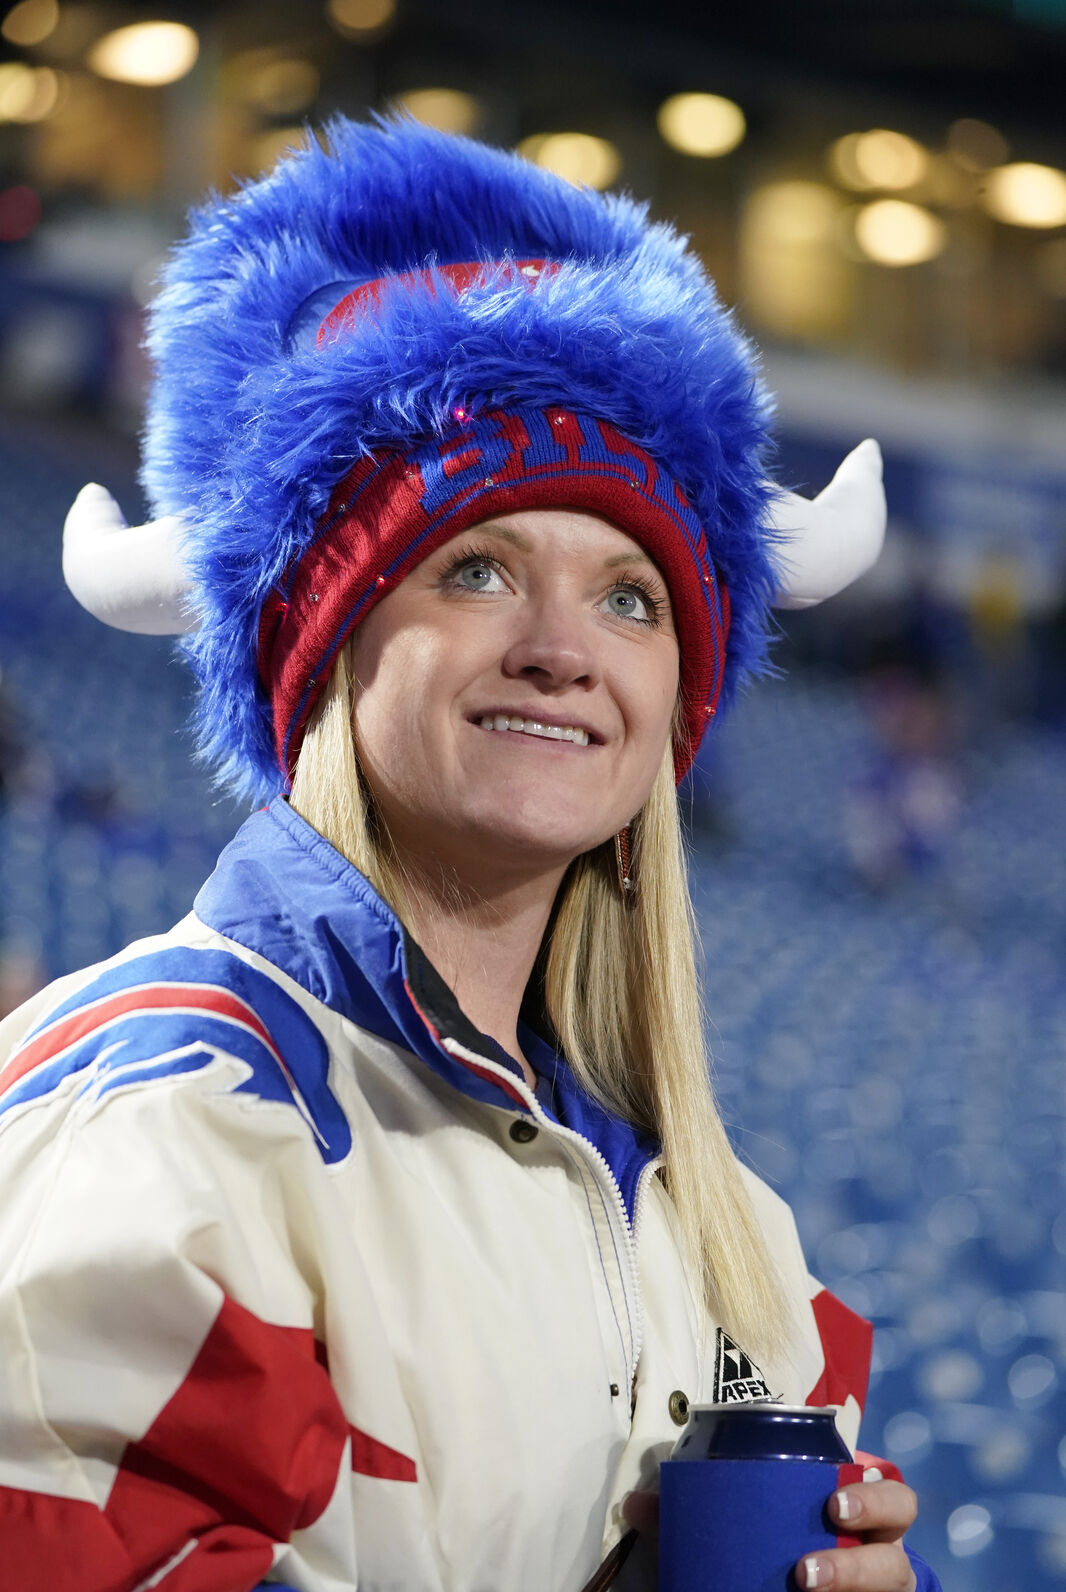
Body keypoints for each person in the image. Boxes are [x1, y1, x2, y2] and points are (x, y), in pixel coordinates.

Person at [0, 119, 935, 1592]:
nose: (563, 650)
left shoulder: (728, 1220)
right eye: (476, 569)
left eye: (632, 598)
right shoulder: (167, 1119)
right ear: (323, 654)